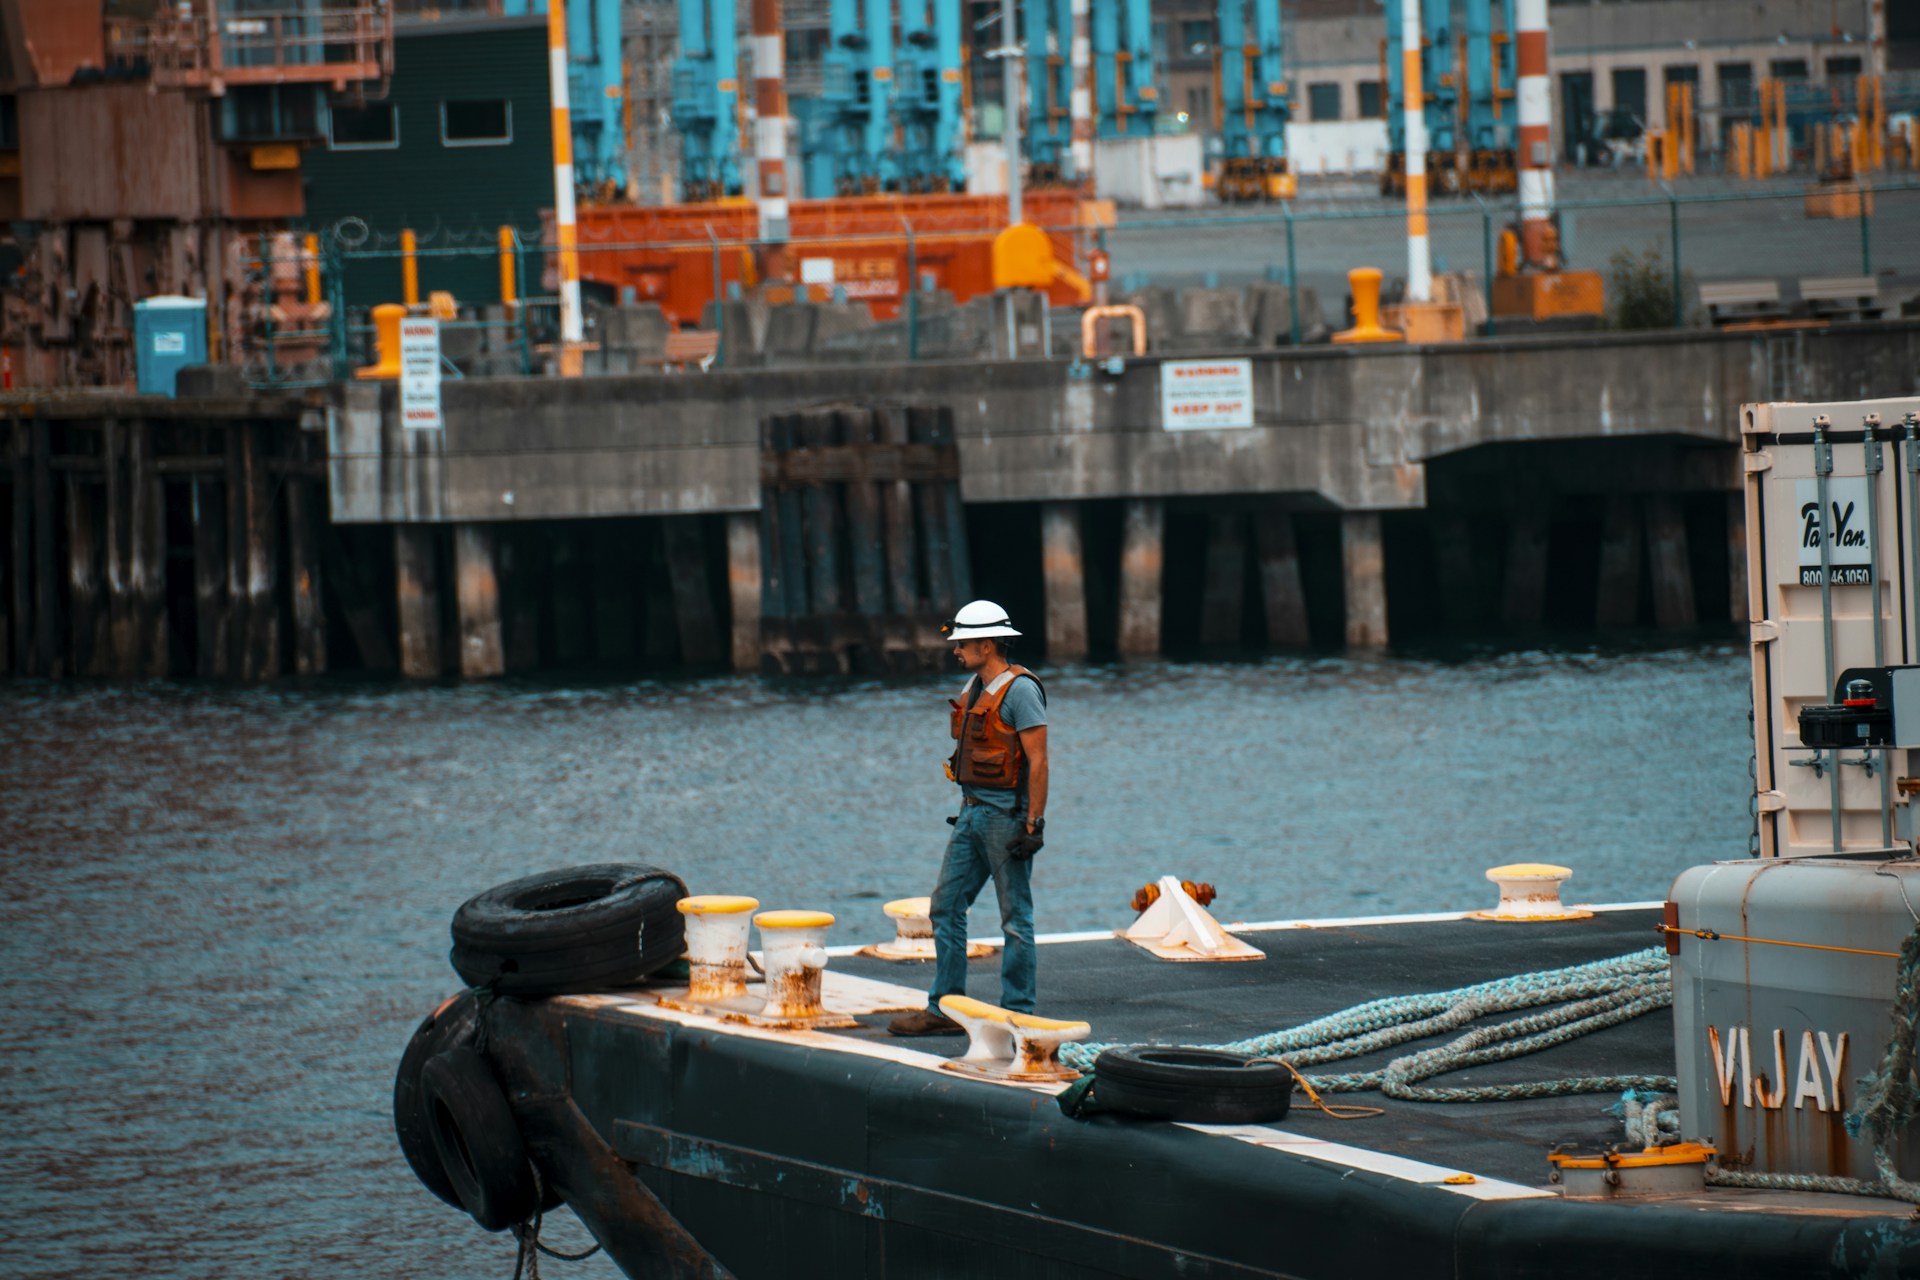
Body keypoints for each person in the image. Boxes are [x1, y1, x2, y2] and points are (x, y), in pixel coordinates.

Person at [889, 600, 1049, 1036]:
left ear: (987, 642)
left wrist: (1034, 824)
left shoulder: (1021, 691)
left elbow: (1038, 761)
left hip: (1005, 819)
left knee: (1015, 918)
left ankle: (1020, 1012)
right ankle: (945, 1010)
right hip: (970, 813)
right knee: (946, 906)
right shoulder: (974, 685)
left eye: (962, 642)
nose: (956, 649)